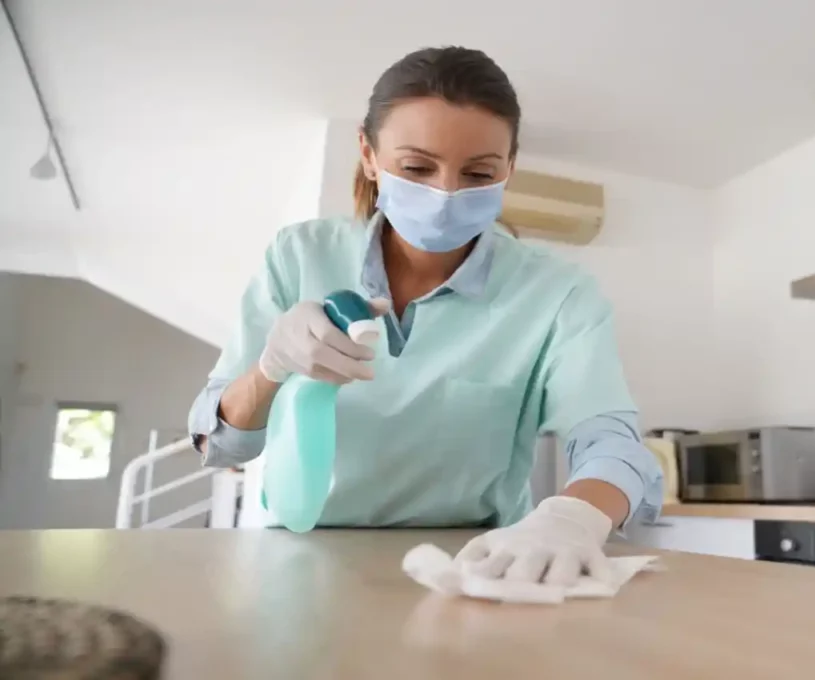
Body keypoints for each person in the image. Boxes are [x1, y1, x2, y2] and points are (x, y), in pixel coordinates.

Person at [187, 46, 663, 586]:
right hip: (303, 560)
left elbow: (612, 441)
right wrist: (270, 369)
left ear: (510, 168)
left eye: (479, 172)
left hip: (473, 566)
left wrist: (573, 520)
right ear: (369, 154)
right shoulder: (299, 256)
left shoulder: (558, 294)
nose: (445, 194)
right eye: (416, 167)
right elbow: (221, 443)